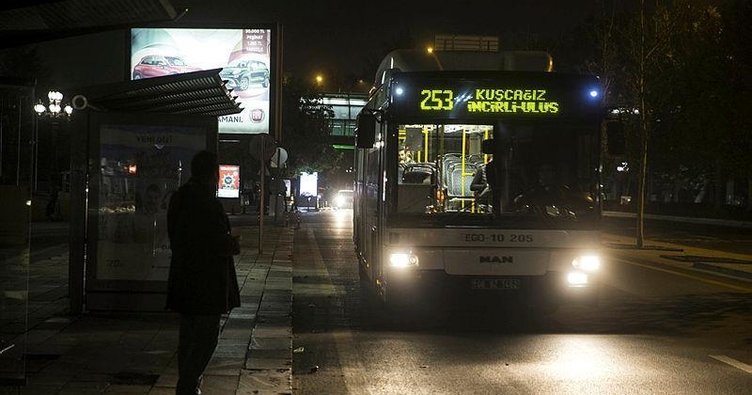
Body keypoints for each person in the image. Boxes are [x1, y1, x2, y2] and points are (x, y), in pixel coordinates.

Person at [166, 150, 241, 395]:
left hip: (184, 278)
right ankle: (187, 385)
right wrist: (232, 244)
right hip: (206, 283)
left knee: (187, 337)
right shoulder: (206, 203)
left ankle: (188, 384)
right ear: (212, 174)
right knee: (207, 338)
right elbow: (214, 242)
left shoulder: (180, 198)